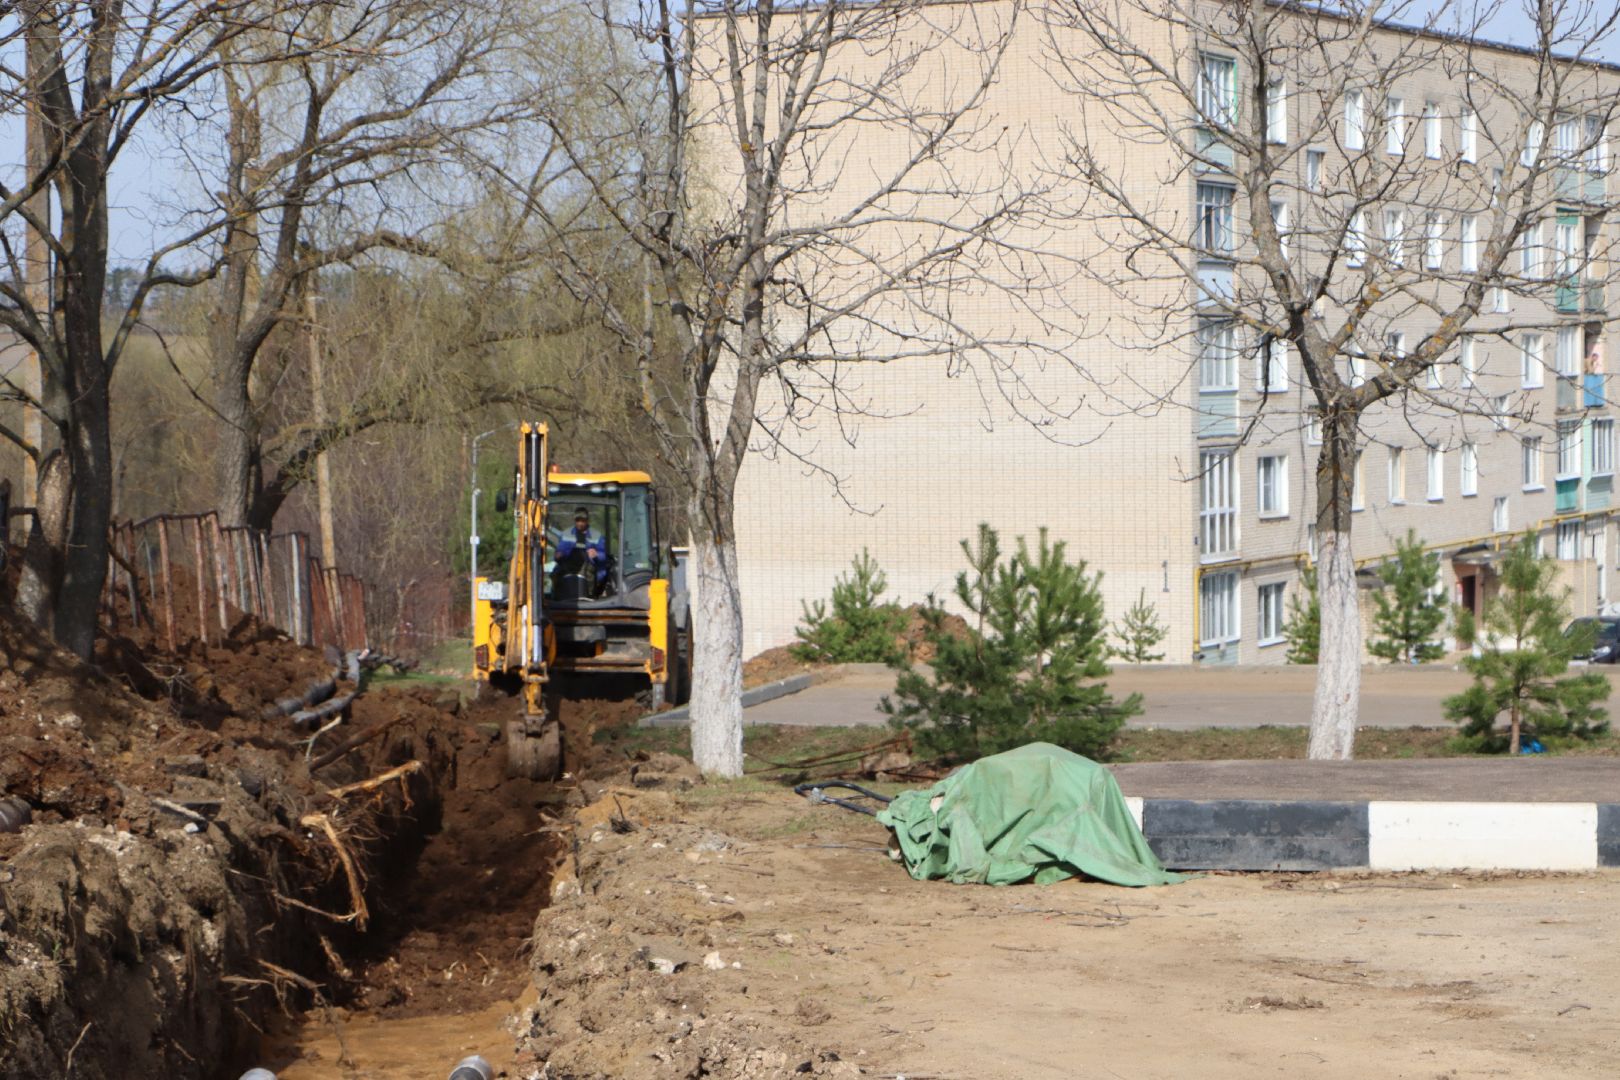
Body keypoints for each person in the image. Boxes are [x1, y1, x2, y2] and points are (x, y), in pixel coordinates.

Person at [555, 507, 609, 591]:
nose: (580, 523)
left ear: (587, 521)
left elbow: (604, 556)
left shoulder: (597, 535)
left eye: (583, 521)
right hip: (569, 567)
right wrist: (559, 554)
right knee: (556, 574)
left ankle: (590, 595)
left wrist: (596, 554)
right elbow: (559, 552)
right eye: (578, 520)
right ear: (574, 520)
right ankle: (559, 595)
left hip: (589, 568)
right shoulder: (566, 534)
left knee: (594, 575)